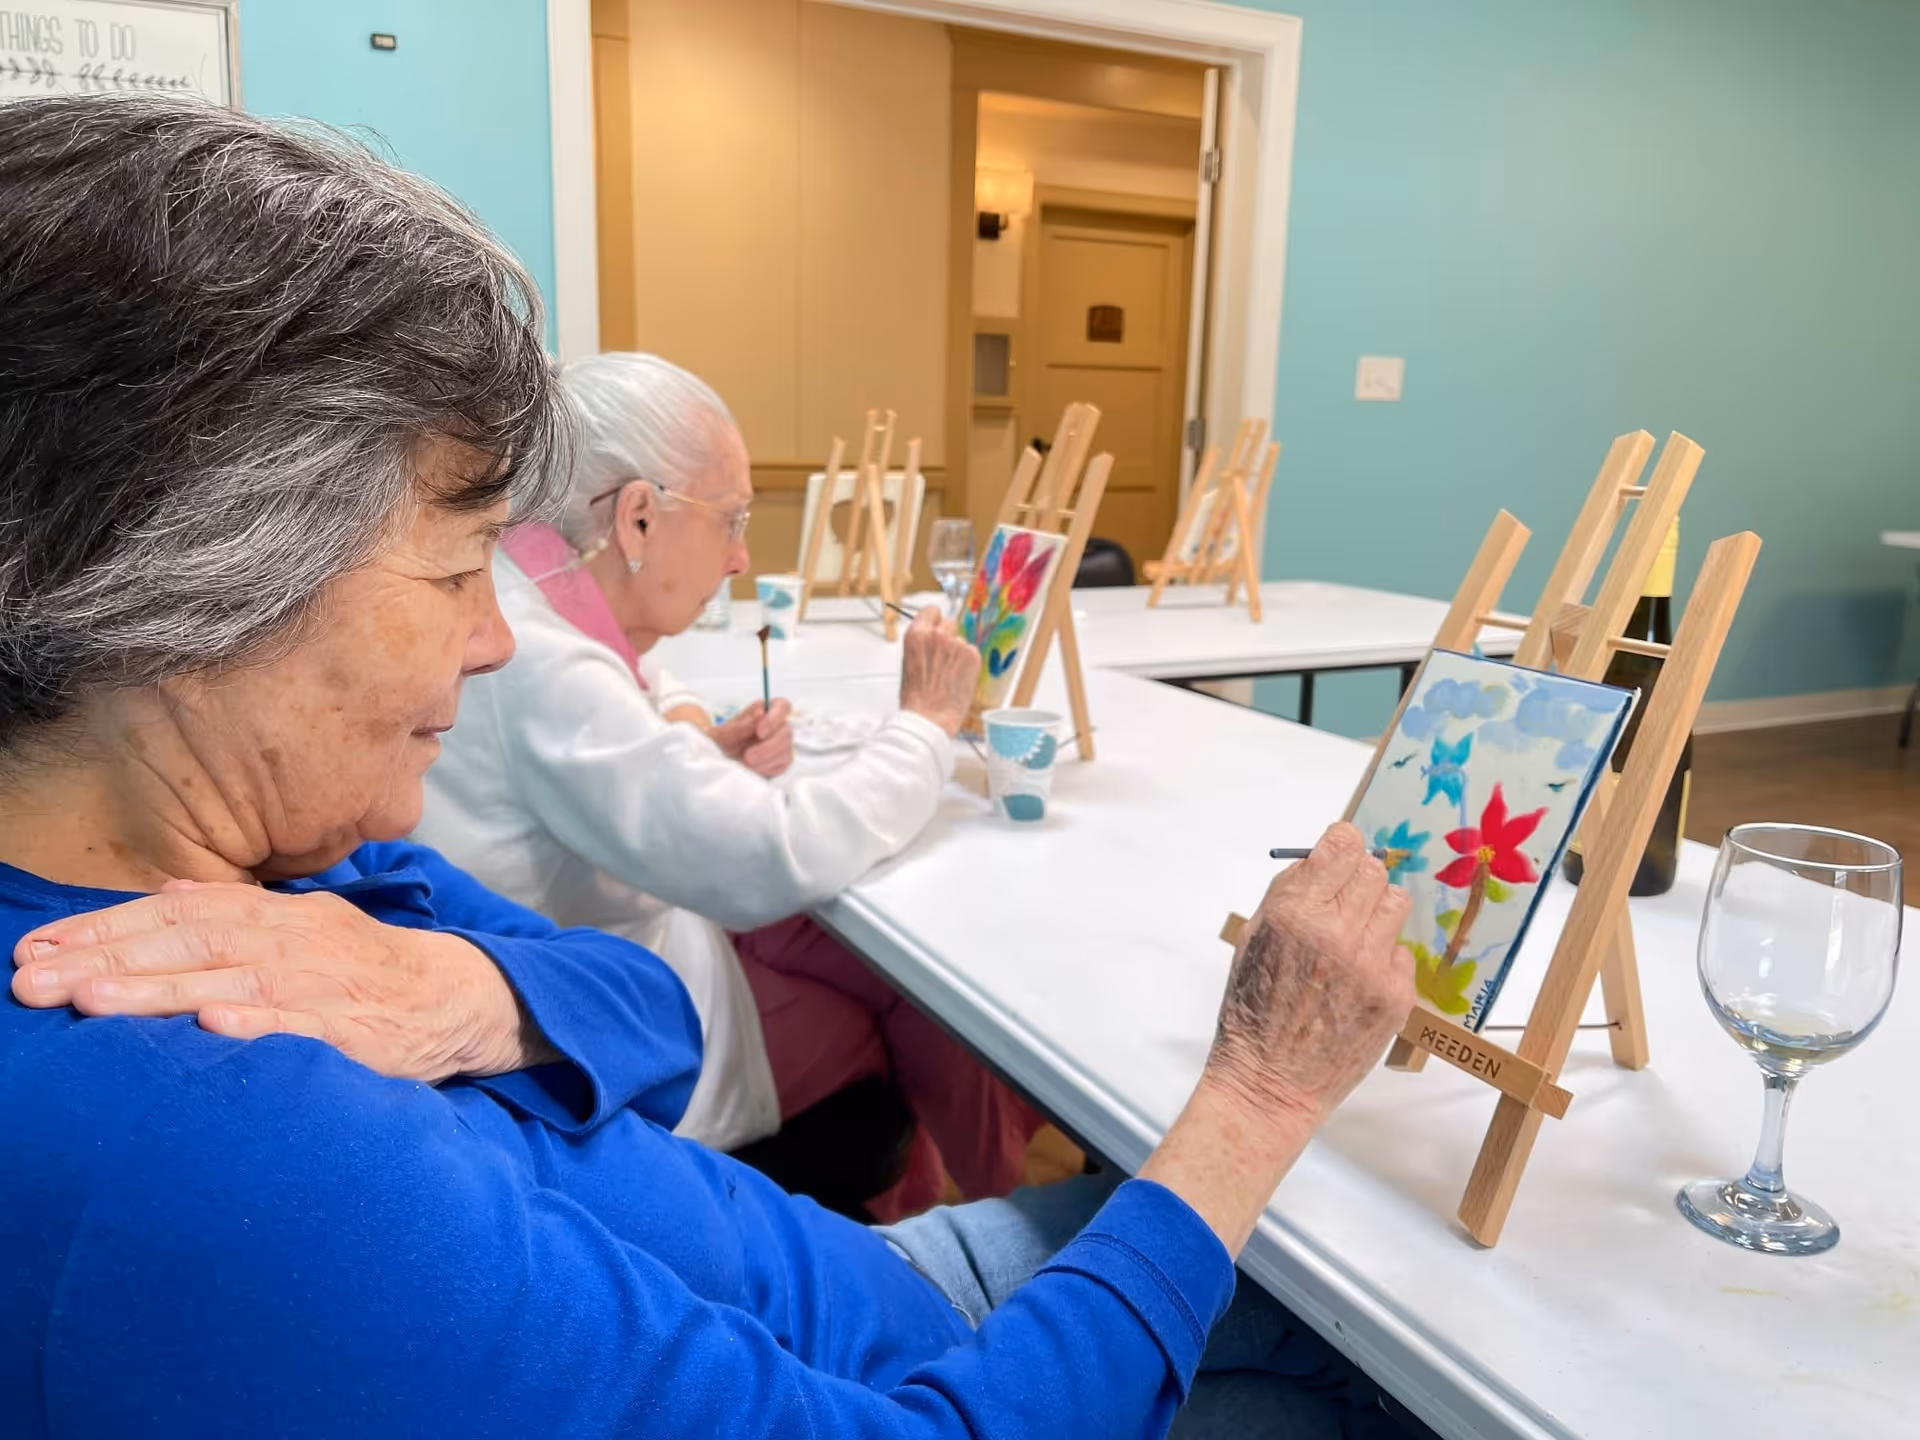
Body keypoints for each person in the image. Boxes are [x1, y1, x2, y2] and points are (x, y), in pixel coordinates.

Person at [0, 95, 1423, 1439]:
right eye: (451, 578)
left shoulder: (267, 870)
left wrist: (459, 993)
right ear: (195, 597)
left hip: (859, 1295)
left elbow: (650, 1016)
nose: (496, 640)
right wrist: (1257, 1099)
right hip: (906, 1358)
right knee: (1402, 1369)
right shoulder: (215, 1147)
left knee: (1347, 1301)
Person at [414, 353, 1038, 1212]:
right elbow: (769, 851)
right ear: (636, 520)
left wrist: (698, 740)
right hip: (608, 1025)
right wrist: (926, 726)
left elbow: (636, 725)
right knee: (900, 1012)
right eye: (732, 521)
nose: (742, 557)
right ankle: (977, 1236)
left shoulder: (521, 586)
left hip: (586, 962)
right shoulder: (544, 665)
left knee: (878, 973)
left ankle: (983, 1213)